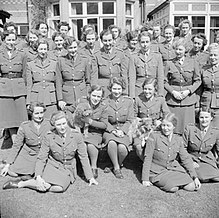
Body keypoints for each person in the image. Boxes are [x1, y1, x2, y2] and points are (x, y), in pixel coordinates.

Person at [2, 111, 98, 192]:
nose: (62, 127)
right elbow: (42, 157)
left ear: (67, 123)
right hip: (53, 165)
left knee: (59, 188)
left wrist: (90, 177)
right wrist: (39, 176)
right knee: (45, 185)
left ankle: (27, 182)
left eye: (64, 124)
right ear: (54, 126)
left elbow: (83, 157)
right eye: (59, 125)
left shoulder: (76, 135)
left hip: (68, 168)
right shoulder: (49, 136)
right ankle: (20, 184)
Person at [142, 113, 201, 192]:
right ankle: (171, 183)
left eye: (168, 126)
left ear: (174, 126)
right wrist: (145, 179)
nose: (165, 128)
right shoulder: (154, 136)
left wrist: (195, 177)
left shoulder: (178, 139)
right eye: (163, 125)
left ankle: (176, 182)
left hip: (172, 169)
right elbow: (148, 157)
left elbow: (185, 158)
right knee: (173, 188)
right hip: (157, 171)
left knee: (192, 187)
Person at [1, 102, 51, 187]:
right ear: (31, 113)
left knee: (44, 174)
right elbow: (16, 146)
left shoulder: (49, 124)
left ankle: (24, 179)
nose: (39, 116)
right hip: (28, 155)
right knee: (13, 173)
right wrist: (7, 165)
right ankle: (5, 164)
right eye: (37, 113)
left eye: (41, 113)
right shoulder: (25, 126)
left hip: (43, 155)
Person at [164, 39, 201, 134]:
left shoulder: (193, 62)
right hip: (173, 100)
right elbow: (163, 81)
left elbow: (197, 80)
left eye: (180, 49)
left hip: (188, 100)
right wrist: (173, 92)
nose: (178, 52)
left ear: (186, 50)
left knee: (187, 129)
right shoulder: (169, 63)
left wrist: (188, 91)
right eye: (176, 49)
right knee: (173, 127)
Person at [103, 77, 134, 179]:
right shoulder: (105, 101)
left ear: (122, 89)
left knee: (122, 149)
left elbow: (130, 120)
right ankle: (117, 168)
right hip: (109, 129)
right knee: (111, 143)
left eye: (119, 89)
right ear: (110, 89)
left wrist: (123, 130)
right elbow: (103, 120)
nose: (116, 92)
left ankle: (115, 164)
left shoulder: (128, 101)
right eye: (114, 89)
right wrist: (112, 130)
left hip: (124, 129)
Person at [0, 31, 28, 143]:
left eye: (13, 40)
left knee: (22, 118)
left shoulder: (22, 54)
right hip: (5, 89)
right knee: (9, 119)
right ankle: (15, 142)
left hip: (19, 88)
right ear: (4, 41)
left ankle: (22, 141)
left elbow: (25, 73)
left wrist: (25, 88)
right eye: (8, 40)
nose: (11, 42)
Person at [133, 78, 170, 160]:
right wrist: (140, 121)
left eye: (150, 89)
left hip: (155, 129)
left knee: (156, 145)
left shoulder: (160, 100)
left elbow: (167, 115)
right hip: (141, 130)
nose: (147, 91)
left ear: (155, 89)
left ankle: (154, 164)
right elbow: (133, 116)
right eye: (145, 89)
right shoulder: (138, 100)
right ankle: (145, 163)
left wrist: (160, 122)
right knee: (138, 147)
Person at [76, 85, 108, 179]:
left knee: (91, 145)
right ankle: (82, 167)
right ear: (89, 95)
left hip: (95, 132)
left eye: (98, 97)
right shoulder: (82, 102)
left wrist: (90, 122)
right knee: (82, 144)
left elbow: (104, 125)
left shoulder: (103, 107)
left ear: (102, 98)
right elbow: (72, 110)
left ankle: (94, 166)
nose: (96, 99)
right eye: (94, 96)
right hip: (82, 131)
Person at [56, 36, 91, 118]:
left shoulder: (84, 60)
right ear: (66, 48)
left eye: (75, 47)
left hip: (81, 94)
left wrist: (87, 96)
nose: (73, 50)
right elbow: (58, 82)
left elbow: (88, 81)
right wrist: (60, 99)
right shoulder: (61, 61)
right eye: (70, 48)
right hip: (67, 96)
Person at [183, 108, 219, 183]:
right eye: (201, 117)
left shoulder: (215, 132)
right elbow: (182, 149)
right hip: (192, 159)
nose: (204, 120)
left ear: (211, 118)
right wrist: (190, 162)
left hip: (206, 160)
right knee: (203, 178)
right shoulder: (190, 129)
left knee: (216, 178)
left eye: (206, 117)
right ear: (198, 118)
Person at [26, 39, 59, 119]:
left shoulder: (54, 64)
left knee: (51, 121)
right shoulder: (30, 65)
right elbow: (29, 85)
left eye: (45, 49)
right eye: (41, 49)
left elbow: (58, 83)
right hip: (36, 98)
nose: (43, 52)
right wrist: (28, 102)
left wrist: (59, 99)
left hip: (51, 98)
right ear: (37, 49)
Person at [92, 29, 128, 96]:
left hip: (117, 88)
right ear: (101, 41)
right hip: (103, 88)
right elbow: (94, 76)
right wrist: (95, 91)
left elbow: (124, 74)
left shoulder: (120, 53)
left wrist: (125, 91)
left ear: (113, 40)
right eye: (105, 41)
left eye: (109, 40)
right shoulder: (97, 55)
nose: (108, 43)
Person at [130, 31, 164, 98]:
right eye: (142, 42)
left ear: (150, 42)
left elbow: (160, 77)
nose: (145, 44)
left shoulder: (157, 56)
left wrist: (160, 94)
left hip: (153, 90)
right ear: (139, 43)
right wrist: (132, 96)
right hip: (139, 90)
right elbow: (132, 78)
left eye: (147, 42)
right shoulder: (134, 57)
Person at [200, 43, 219, 127]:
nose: (213, 57)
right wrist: (198, 104)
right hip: (206, 102)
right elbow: (199, 88)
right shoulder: (204, 69)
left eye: (215, 55)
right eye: (211, 55)